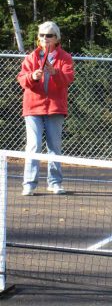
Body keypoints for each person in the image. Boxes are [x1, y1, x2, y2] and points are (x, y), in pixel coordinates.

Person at [17, 21, 75, 196]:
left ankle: (55, 183)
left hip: (55, 108)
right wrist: (32, 76)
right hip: (33, 108)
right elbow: (22, 79)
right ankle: (29, 184)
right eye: (42, 35)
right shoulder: (31, 57)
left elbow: (68, 79)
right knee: (33, 145)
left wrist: (55, 72)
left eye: (49, 35)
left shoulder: (65, 58)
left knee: (54, 147)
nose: (45, 38)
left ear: (56, 38)